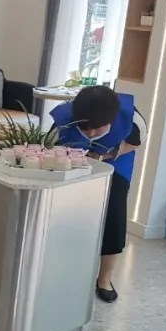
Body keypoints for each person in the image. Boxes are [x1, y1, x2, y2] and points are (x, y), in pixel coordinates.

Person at [49, 85, 141, 303]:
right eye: (85, 128)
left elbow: (136, 142)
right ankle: (63, 269)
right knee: (67, 213)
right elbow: (49, 148)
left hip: (115, 163)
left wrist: (104, 156)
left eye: (97, 128)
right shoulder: (63, 120)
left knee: (114, 215)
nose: (90, 133)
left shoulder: (131, 119)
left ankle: (105, 279)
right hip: (72, 163)